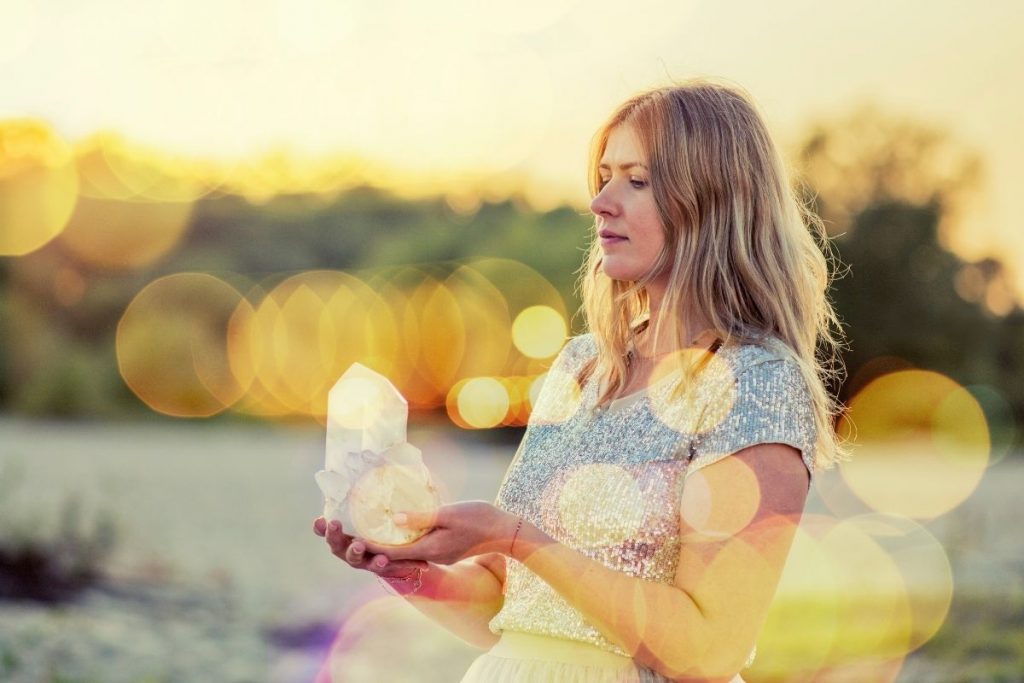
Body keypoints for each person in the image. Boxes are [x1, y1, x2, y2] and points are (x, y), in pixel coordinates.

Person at [313, 78, 847, 682]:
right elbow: (504, 607)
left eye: (637, 181)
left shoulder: (757, 384)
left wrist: (514, 536)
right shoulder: (580, 367)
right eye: (604, 177)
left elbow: (708, 650)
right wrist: (402, 565)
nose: (600, 202)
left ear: (715, 200)